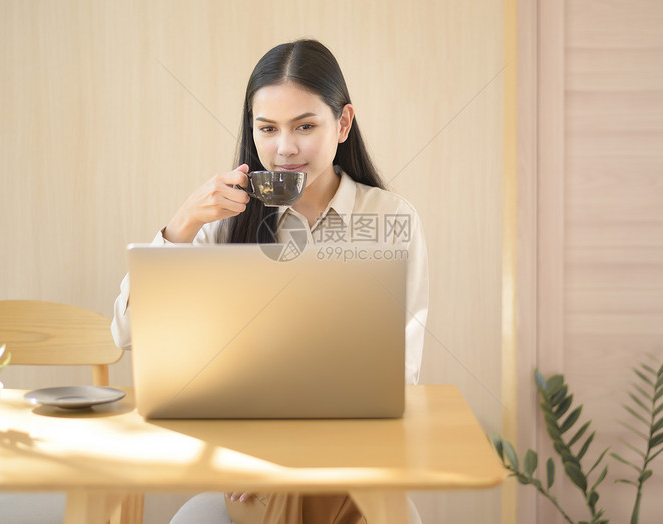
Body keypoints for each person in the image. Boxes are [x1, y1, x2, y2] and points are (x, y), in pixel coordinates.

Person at [110, 39, 428, 524]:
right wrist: (180, 226)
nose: (285, 148)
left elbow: (397, 375)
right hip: (246, 472)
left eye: (305, 126)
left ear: (342, 124)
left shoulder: (388, 219)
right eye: (268, 129)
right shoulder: (224, 221)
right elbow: (129, 335)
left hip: (352, 462)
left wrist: (296, 460)